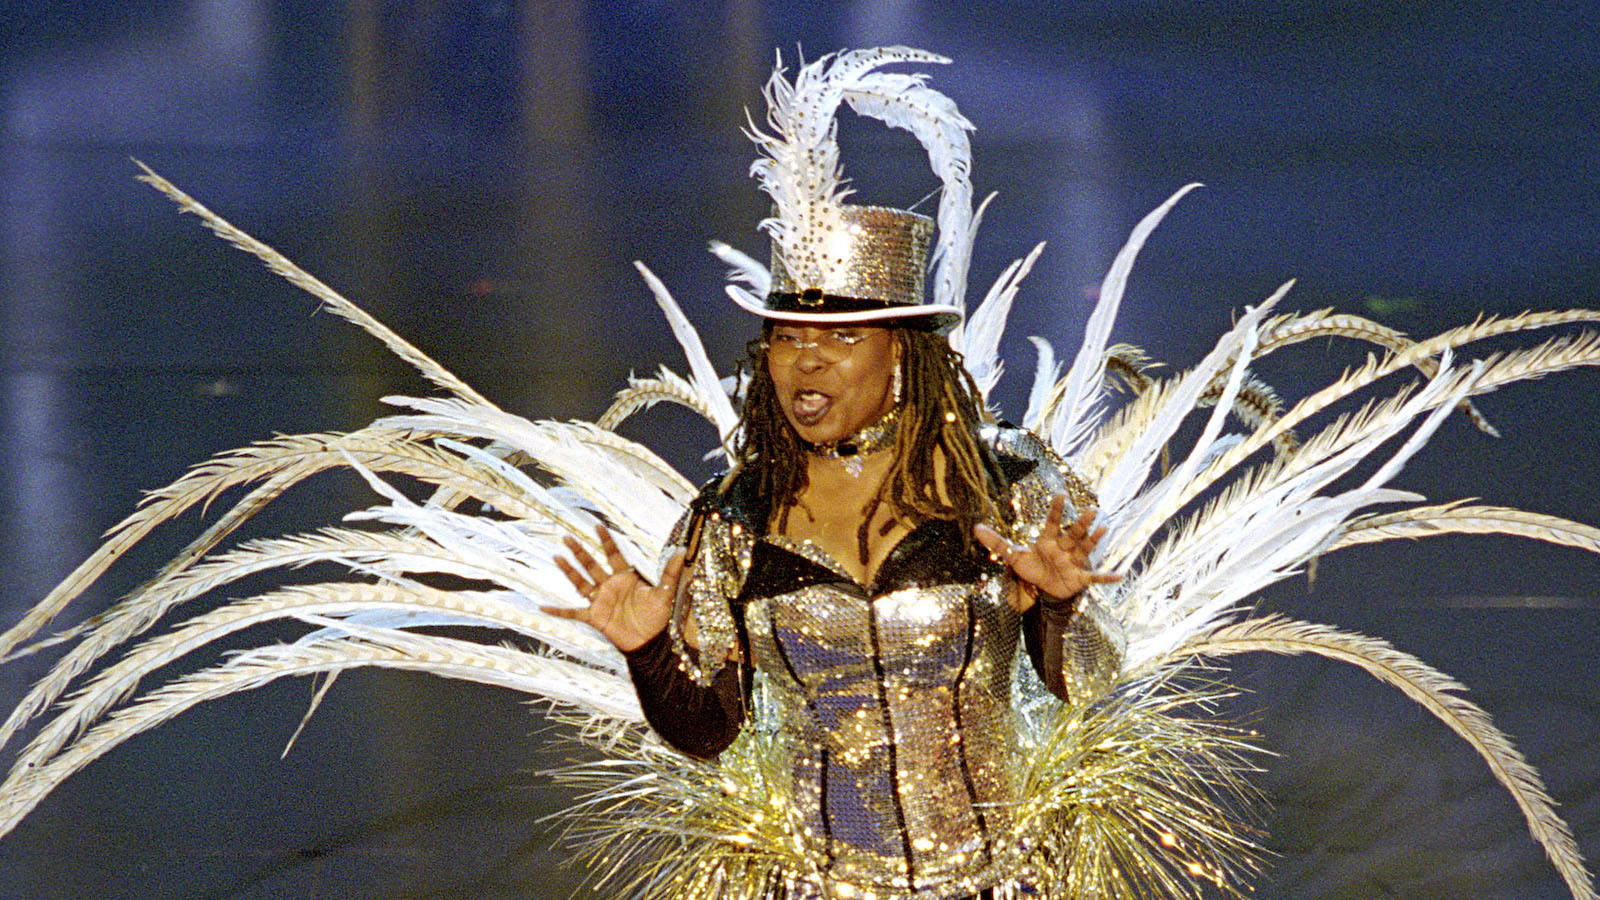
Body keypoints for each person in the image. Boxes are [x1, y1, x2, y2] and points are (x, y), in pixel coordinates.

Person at [552, 203, 1124, 898]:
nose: (808, 359)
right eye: (787, 336)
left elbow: (1092, 681)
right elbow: (707, 734)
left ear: (903, 353)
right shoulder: (735, 518)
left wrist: (1060, 606)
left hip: (1000, 880)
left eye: (843, 338)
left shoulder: (1001, 483)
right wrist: (647, 653)